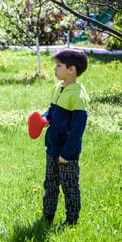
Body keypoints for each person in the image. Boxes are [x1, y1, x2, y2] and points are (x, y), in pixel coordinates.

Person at [41, 48, 89, 228]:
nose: (55, 69)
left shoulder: (78, 96)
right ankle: (47, 217)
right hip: (52, 148)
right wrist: (45, 118)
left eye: (58, 65)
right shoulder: (57, 88)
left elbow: (77, 130)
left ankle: (71, 221)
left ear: (72, 69)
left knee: (69, 187)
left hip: (67, 154)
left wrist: (67, 154)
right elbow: (52, 111)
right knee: (50, 185)